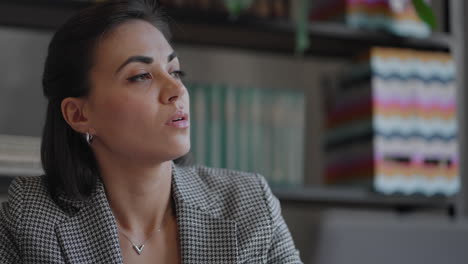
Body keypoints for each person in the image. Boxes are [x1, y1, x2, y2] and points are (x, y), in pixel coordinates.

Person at [0, 0, 303, 263]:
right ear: (79, 115)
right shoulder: (29, 217)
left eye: (175, 72)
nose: (177, 90)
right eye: (141, 76)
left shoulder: (249, 204)